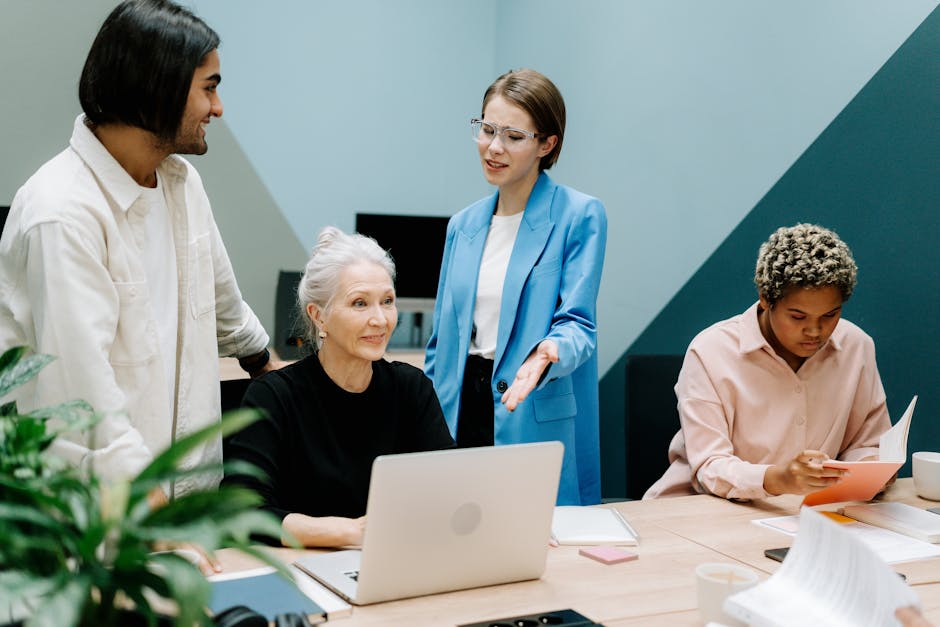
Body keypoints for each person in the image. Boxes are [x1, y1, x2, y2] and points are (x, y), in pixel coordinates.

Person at [0, 0, 276, 502]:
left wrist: (262, 361)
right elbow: (81, 395)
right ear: (159, 87)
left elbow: (219, 295)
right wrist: (145, 516)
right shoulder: (61, 212)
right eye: (209, 89)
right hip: (102, 516)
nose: (218, 109)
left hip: (187, 501)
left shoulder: (181, 183)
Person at [424, 69, 607, 506]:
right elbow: (441, 340)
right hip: (459, 406)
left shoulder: (579, 216)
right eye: (487, 130)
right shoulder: (462, 225)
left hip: (529, 400)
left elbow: (578, 324)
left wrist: (548, 352)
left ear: (547, 144)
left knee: (528, 547)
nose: (493, 147)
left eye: (513, 136)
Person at [223, 227, 455, 548]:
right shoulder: (274, 396)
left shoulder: (411, 388)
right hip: (301, 569)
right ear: (319, 316)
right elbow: (241, 509)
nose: (380, 319)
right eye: (360, 303)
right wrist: (348, 533)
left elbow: (450, 487)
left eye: (387, 301)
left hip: (393, 560)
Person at [645, 223, 891, 499]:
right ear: (765, 299)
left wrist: (872, 467)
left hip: (802, 515)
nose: (814, 331)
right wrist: (777, 479)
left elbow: (868, 444)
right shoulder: (710, 351)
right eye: (798, 317)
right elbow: (710, 467)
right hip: (699, 510)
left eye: (830, 315)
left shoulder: (856, 346)